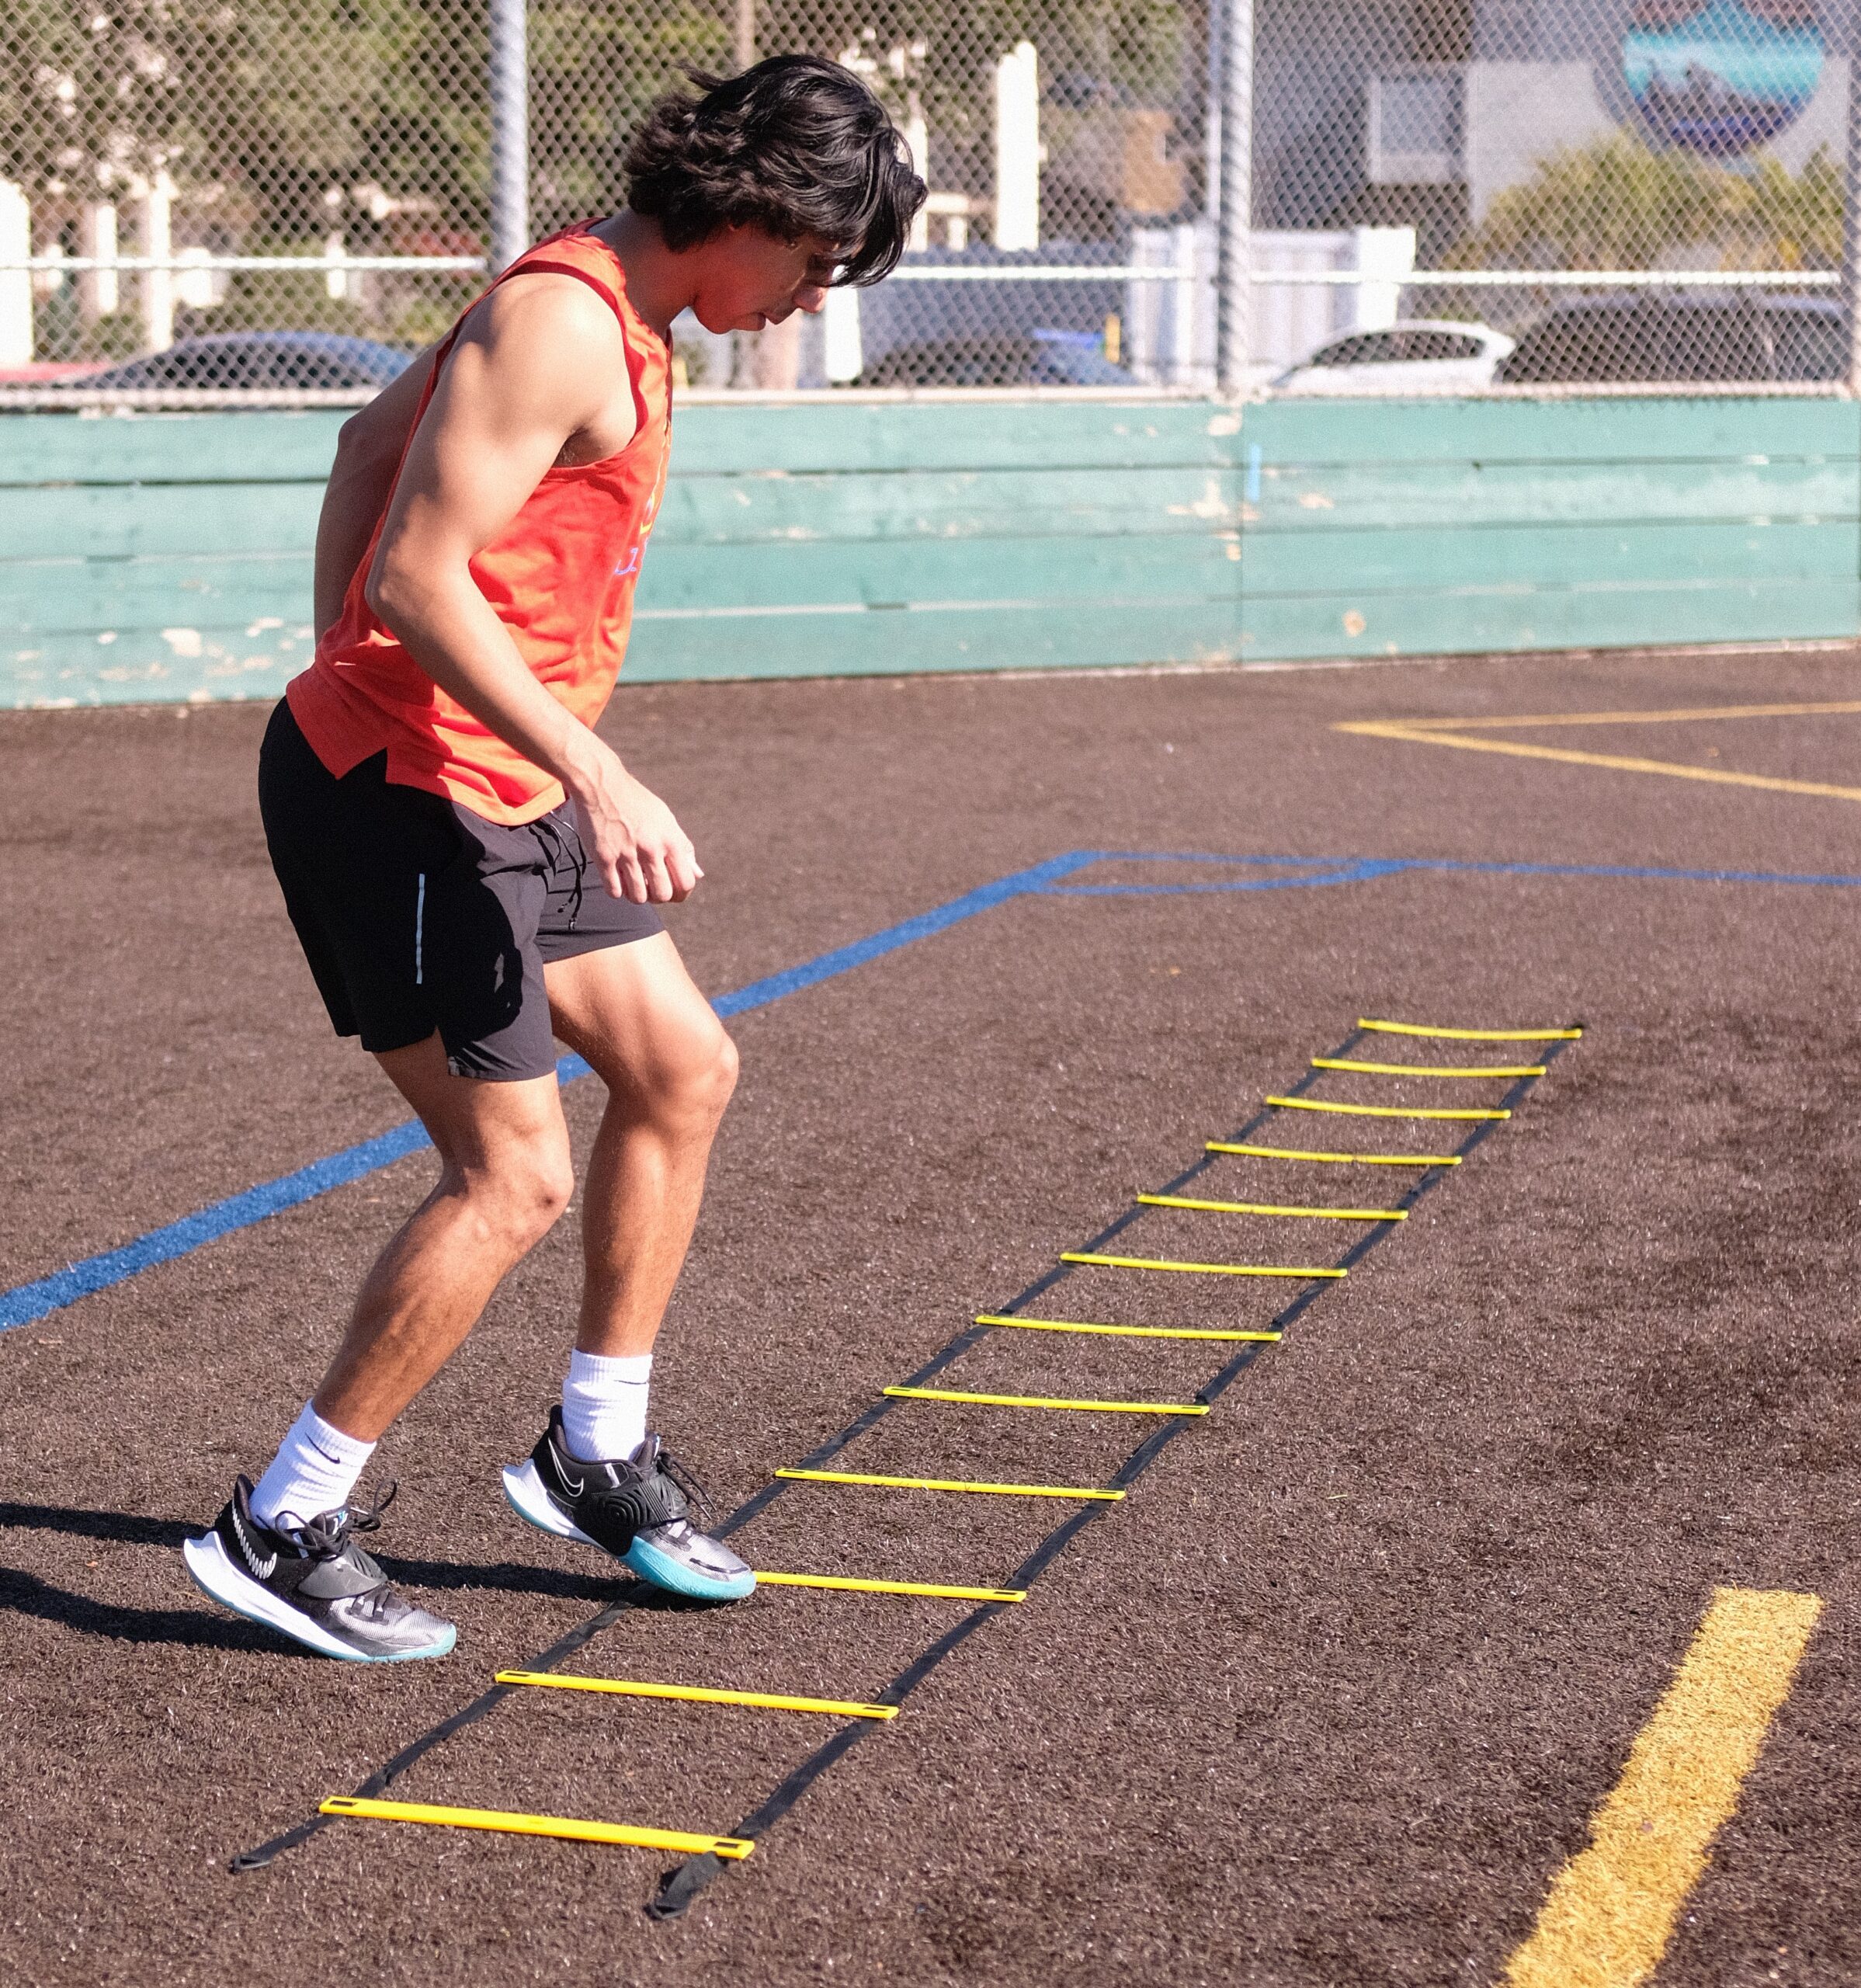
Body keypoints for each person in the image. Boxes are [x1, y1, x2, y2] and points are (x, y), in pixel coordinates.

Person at [182, 56, 925, 1662]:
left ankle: (594, 1449)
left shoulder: (622, 314)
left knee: (682, 1068)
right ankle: (282, 1521)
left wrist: (397, 680)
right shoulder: (563, 320)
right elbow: (416, 572)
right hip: (405, 797)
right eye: (815, 263)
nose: (809, 299)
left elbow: (361, 449)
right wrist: (560, 754)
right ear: (755, 207)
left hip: (498, 782)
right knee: (511, 1174)